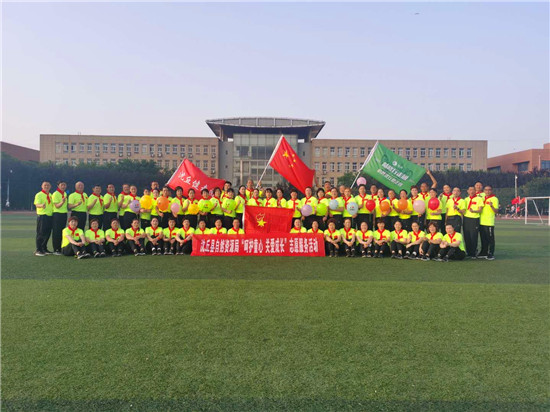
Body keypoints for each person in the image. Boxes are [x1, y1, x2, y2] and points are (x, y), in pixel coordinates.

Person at [478, 185, 499, 260]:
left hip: (489, 222)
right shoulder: (482, 198)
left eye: (489, 190)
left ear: (491, 191)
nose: (487, 191)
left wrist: (492, 206)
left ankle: (491, 253)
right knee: (483, 238)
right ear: (484, 191)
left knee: (490, 239)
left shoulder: (494, 199)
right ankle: (484, 252)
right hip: (481, 221)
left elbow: (496, 211)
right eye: (486, 190)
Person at [34, 181, 54, 256]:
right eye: (45, 185)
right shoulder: (39, 194)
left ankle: (44, 248)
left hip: (50, 216)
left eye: (48, 185)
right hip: (42, 216)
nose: (46, 186)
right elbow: (37, 204)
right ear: (42, 186)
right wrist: (41, 205)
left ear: (50, 187)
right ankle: (38, 249)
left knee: (47, 233)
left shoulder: (51, 195)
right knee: (41, 233)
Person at [463, 186, 482, 258]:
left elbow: (480, 210)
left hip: (474, 219)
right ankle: (468, 252)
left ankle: (473, 252)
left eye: (473, 190)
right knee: (466, 236)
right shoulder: (465, 199)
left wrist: (474, 211)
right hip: (466, 219)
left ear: (475, 191)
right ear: (467, 191)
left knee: (473, 236)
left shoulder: (479, 199)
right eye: (470, 190)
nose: (471, 191)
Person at [51, 180, 68, 255]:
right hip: (57, 214)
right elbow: (57, 206)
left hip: (64, 214)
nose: (63, 186)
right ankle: (56, 249)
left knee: (62, 231)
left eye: (64, 185)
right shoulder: (55, 194)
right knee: (56, 232)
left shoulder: (64, 193)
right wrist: (62, 202)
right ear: (58, 186)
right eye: (62, 185)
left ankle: (60, 247)